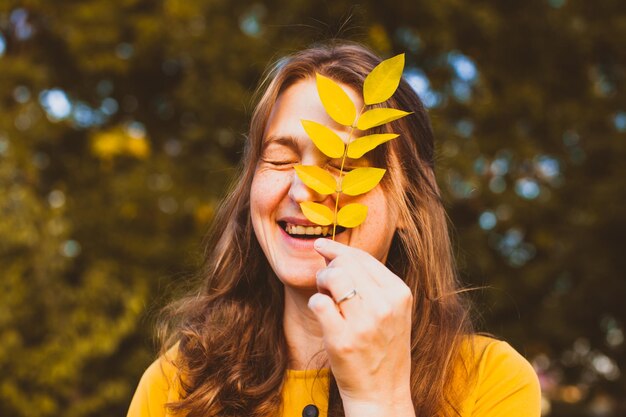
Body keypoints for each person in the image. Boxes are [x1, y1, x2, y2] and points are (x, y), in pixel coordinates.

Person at [127, 41, 541, 417]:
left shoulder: (489, 384)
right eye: (280, 159)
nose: (304, 189)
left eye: (347, 165)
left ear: (408, 205)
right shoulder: (176, 385)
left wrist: (380, 401)